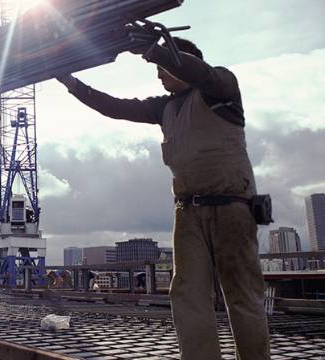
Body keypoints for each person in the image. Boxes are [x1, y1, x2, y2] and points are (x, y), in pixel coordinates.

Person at [57, 36, 269, 359]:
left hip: (231, 207)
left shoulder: (221, 89)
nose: (158, 75)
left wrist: (152, 50)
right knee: (188, 294)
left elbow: (203, 75)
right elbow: (116, 107)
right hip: (188, 213)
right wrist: (72, 83)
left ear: (180, 60)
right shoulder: (165, 107)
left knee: (242, 295)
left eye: (162, 68)